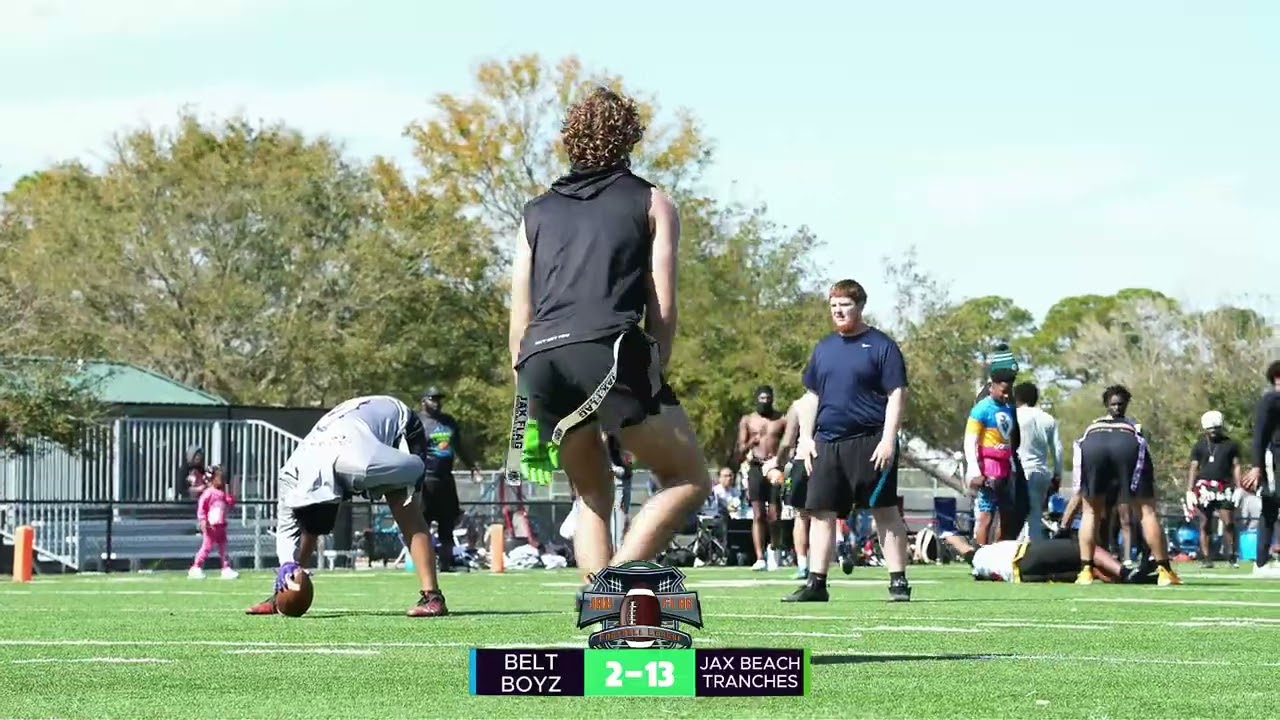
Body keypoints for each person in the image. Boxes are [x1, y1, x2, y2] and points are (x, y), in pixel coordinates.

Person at [507, 86, 711, 587]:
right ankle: (613, 586)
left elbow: (520, 314)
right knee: (688, 479)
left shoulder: (534, 212)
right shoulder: (653, 202)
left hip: (539, 362)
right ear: (630, 139)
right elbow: (662, 305)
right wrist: (653, 377)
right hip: (610, 351)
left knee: (592, 496)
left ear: (570, 138)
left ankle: (605, 624)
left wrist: (527, 402)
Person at [245, 395, 448, 617]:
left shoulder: (363, 468)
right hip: (349, 429)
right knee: (309, 528)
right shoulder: (289, 477)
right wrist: (286, 564)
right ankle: (284, 590)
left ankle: (433, 597)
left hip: (397, 422)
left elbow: (416, 467)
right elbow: (286, 529)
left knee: (406, 512)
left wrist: (386, 486)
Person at [786, 278, 912, 603]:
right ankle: (817, 584)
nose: (838, 311)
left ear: (859, 306)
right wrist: (806, 439)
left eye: (845, 305)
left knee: (883, 510)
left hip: (871, 441)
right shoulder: (824, 348)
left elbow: (897, 394)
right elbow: (811, 397)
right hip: (827, 442)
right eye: (833, 306)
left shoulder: (882, 346)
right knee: (820, 512)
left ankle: (898, 581)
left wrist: (888, 439)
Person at [1072, 385, 1181, 586]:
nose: (1117, 408)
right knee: (1147, 512)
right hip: (1126, 444)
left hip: (1092, 444)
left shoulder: (1092, 426)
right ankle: (1165, 570)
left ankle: (1086, 570)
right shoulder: (1133, 427)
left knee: (1089, 512)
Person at [417, 386, 481, 572]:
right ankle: (424, 565)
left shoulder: (448, 422)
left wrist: (472, 467)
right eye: (432, 399)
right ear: (423, 401)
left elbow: (459, 446)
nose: (436, 403)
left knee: (447, 524)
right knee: (422, 524)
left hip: (446, 480)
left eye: (438, 399)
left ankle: (446, 563)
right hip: (426, 480)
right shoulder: (417, 422)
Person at [938, 531, 1155, 584]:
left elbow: (963, 548)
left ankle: (1133, 578)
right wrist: (948, 535)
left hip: (1024, 576)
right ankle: (1126, 573)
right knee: (1086, 549)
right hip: (1023, 555)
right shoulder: (980, 553)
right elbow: (961, 544)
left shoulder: (979, 567)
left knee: (1090, 571)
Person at [974, 344, 1031, 540]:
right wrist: (977, 468)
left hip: (1008, 460)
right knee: (987, 513)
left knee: (1013, 510)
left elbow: (1012, 432)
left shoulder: (1008, 396)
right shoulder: (986, 399)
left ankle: (1000, 552)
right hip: (989, 462)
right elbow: (974, 435)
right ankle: (981, 558)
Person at [733, 385, 789, 571]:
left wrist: (780, 461)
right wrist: (752, 442)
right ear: (756, 399)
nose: (765, 402)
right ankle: (759, 558)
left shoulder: (781, 420)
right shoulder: (748, 420)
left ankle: (774, 550)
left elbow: (790, 444)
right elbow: (739, 451)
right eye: (762, 398)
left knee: (774, 514)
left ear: (772, 399)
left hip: (774, 468)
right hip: (755, 467)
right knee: (758, 514)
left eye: (768, 398)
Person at [964, 368, 1018, 545]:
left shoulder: (1009, 408)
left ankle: (997, 556)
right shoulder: (981, 409)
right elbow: (969, 440)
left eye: (1009, 391)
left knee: (1007, 515)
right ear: (992, 387)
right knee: (986, 515)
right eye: (1003, 391)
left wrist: (1013, 465)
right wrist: (974, 470)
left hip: (1005, 468)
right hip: (988, 468)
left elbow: (1008, 438)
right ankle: (980, 557)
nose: (1006, 395)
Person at [1187, 410, 1242, 568]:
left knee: (1229, 522)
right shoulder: (1199, 445)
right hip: (1204, 488)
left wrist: (1239, 487)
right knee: (1205, 522)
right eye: (1210, 429)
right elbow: (1194, 467)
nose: (1213, 432)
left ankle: (1232, 555)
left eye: (1216, 428)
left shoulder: (1230, 444)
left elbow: (1236, 465)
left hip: (1224, 486)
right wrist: (1190, 490)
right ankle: (1206, 557)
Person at [1242, 360, 1280, 576]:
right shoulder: (1270, 400)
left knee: (1270, 509)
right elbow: (1260, 436)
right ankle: (1262, 562)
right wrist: (1257, 466)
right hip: (1274, 460)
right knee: (1270, 507)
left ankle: (1264, 560)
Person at [1014, 382, 1064, 540]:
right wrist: (1057, 476)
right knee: (1035, 515)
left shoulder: (1014, 415)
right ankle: (1035, 550)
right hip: (1041, 472)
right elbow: (1058, 449)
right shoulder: (1047, 418)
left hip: (1021, 471)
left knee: (1018, 517)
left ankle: (1020, 553)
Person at [778, 398, 816, 580]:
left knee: (801, 516)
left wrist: (777, 462)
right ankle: (821, 563)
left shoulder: (799, 404)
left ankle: (803, 565)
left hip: (803, 460)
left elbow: (787, 441)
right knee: (825, 515)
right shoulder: (835, 398)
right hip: (829, 459)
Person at [188, 466, 238, 580]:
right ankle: (196, 567)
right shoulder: (208, 493)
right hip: (211, 526)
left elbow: (230, 502)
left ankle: (225, 567)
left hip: (221, 525)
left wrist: (230, 493)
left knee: (223, 548)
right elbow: (202, 508)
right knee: (206, 547)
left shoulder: (222, 493)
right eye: (218, 477)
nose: (221, 480)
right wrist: (203, 520)